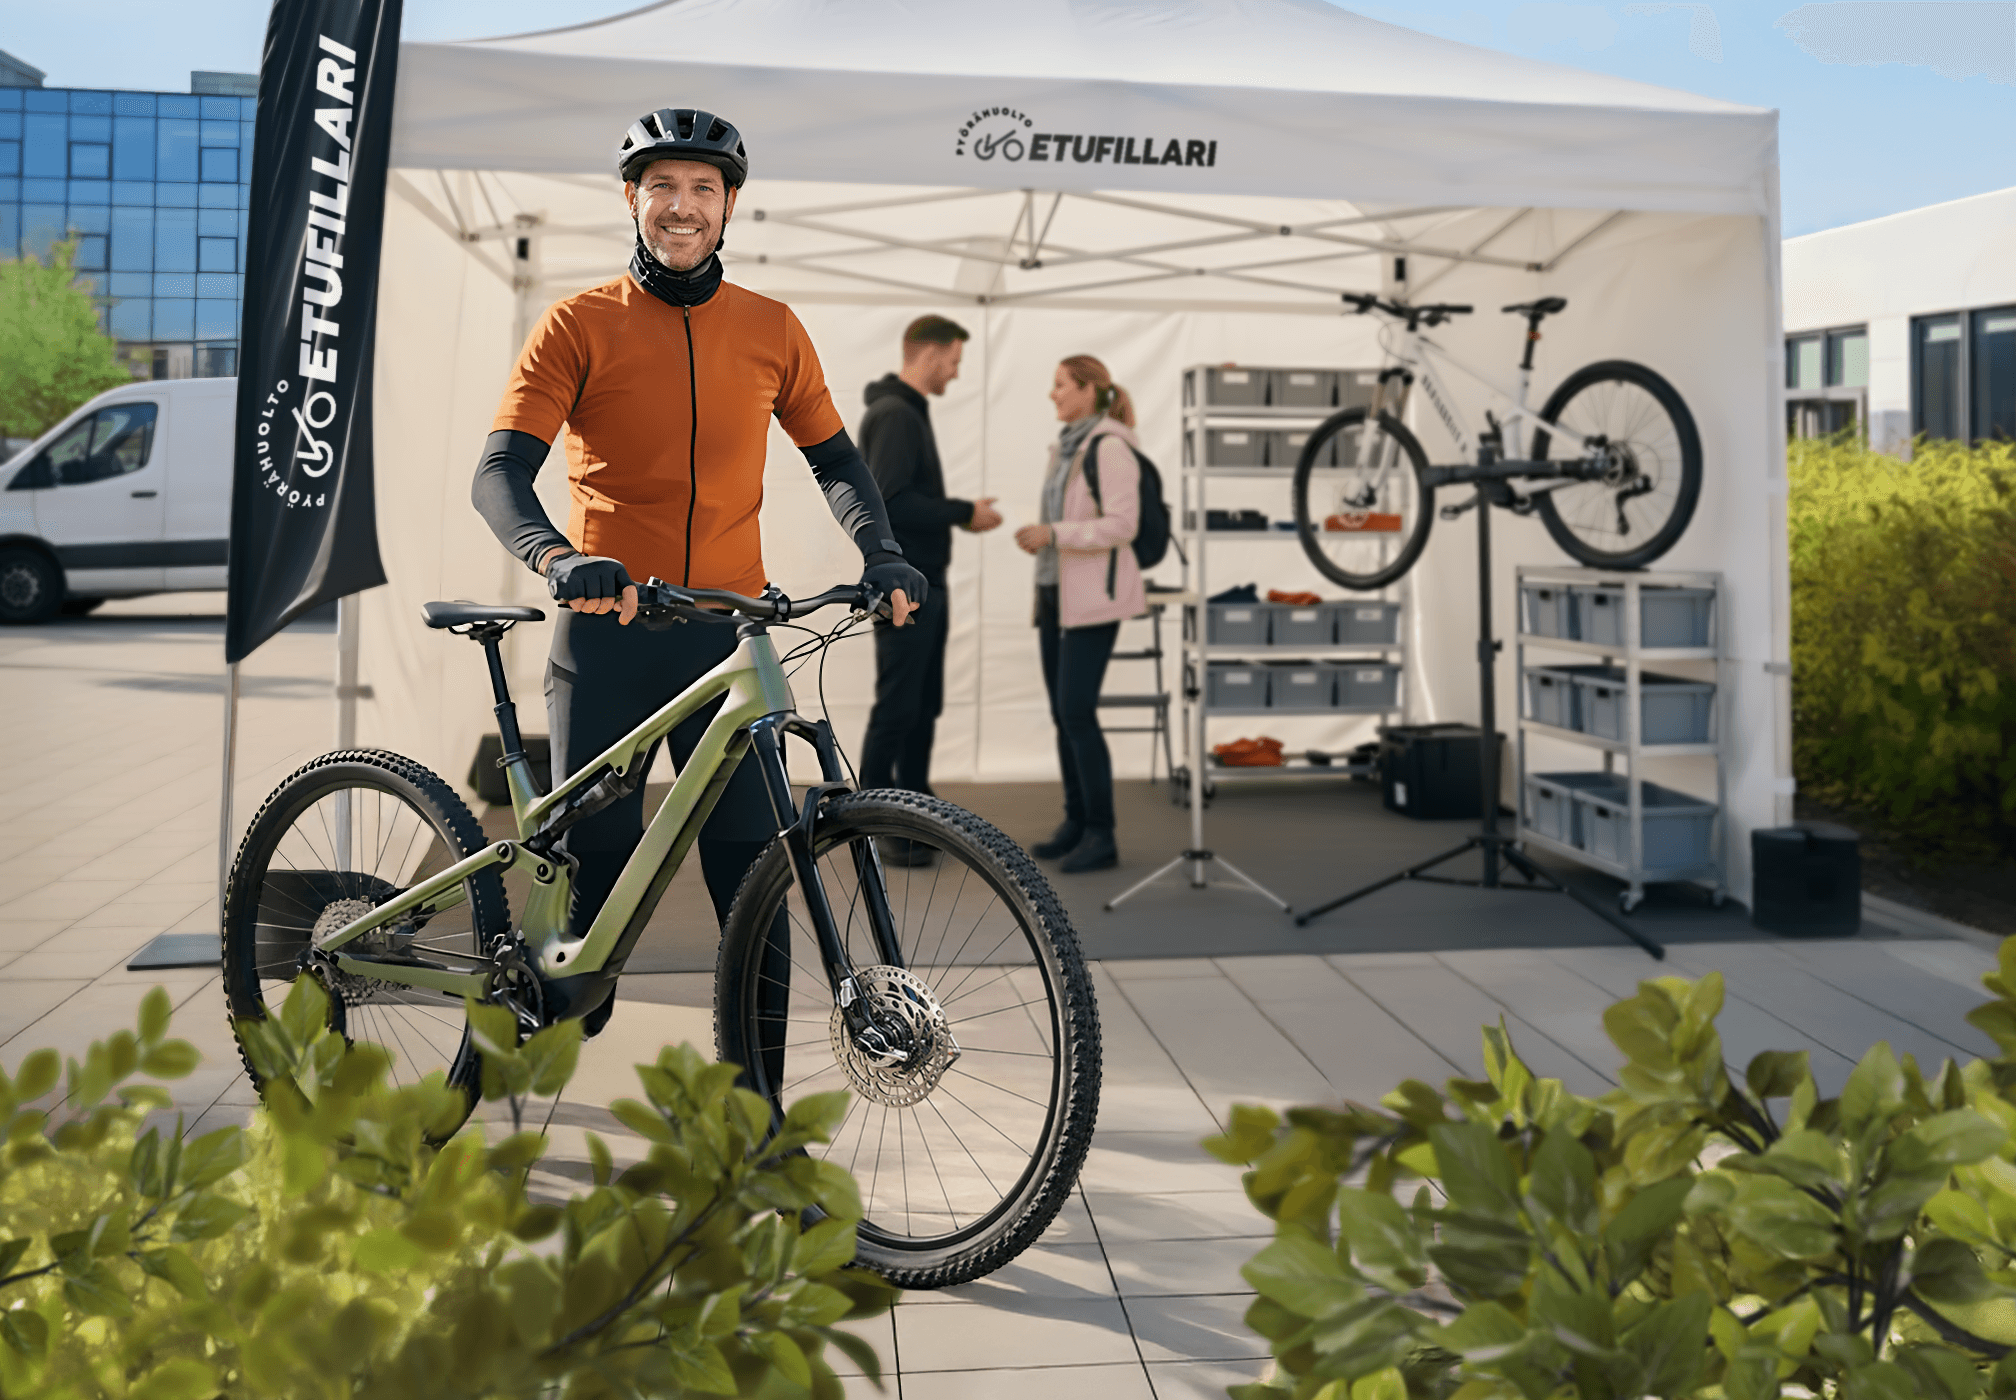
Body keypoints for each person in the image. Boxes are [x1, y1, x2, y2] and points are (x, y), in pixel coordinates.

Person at [470, 107, 926, 1030]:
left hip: (728, 638)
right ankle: (546, 1018)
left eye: (704, 191)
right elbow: (500, 474)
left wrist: (881, 553)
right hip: (610, 637)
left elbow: (836, 462)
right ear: (633, 199)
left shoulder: (771, 329)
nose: (684, 207)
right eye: (664, 188)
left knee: (755, 873)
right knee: (588, 923)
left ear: (728, 209)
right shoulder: (577, 323)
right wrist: (558, 557)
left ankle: (760, 1119)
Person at [857, 316, 1001, 859]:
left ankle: (915, 808)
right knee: (899, 705)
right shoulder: (895, 415)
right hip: (906, 588)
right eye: (955, 361)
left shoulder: (904, 412)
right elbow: (890, 503)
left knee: (921, 703)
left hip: (919, 585)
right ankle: (873, 820)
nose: (956, 372)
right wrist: (964, 512)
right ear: (930, 354)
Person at [1012, 355, 1144, 874]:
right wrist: (1047, 538)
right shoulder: (1065, 448)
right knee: (1063, 713)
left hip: (1092, 602)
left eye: (1061, 385)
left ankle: (1100, 833)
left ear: (1090, 390)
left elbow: (1123, 526)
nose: (1053, 395)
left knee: (1077, 712)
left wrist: (1054, 534)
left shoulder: (1110, 447)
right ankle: (1075, 822)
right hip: (1054, 596)